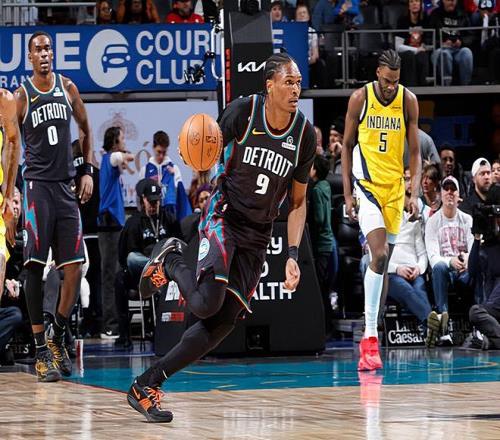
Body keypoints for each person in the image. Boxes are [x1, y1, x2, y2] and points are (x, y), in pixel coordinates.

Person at [127, 53, 316, 422]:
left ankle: (146, 385)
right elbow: (207, 146)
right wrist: (197, 160)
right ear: (270, 85)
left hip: (258, 234)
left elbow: (297, 202)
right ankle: (171, 259)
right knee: (204, 304)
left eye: (298, 83)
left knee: (223, 322)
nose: (296, 89)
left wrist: (292, 254)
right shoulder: (243, 113)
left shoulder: (304, 136)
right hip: (224, 216)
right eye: (289, 82)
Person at [14, 31, 94, 382]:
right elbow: (11, 144)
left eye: (48, 48)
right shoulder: (22, 96)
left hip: (65, 186)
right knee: (34, 266)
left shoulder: (68, 88)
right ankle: (40, 351)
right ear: (29, 57)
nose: (45, 53)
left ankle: (57, 334)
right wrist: (10, 192)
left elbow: (86, 128)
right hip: (37, 187)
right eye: (38, 49)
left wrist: (87, 170)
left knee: (75, 267)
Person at [341, 50, 421, 371]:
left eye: (395, 81)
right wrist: (347, 193)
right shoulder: (360, 99)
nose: (390, 87)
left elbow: (415, 153)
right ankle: (370, 336)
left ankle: (373, 330)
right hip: (367, 186)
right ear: (377, 73)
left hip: (395, 190)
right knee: (379, 254)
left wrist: (414, 191)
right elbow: (347, 147)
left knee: (383, 265)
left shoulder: (408, 101)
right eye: (387, 80)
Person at [387, 167, 437, 347]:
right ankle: (434, 324)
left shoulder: (414, 221)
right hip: (392, 273)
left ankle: (429, 331)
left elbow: (422, 253)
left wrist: (418, 268)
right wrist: (397, 269)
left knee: (420, 288)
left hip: (413, 270)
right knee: (406, 290)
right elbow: (376, 255)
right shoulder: (385, 219)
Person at [425, 175, 474, 343]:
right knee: (438, 267)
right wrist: (451, 262)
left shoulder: (467, 220)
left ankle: (477, 326)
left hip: (464, 270)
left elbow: (473, 248)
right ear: (441, 193)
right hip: (445, 271)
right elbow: (433, 257)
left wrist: (467, 260)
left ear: (459, 195)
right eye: (446, 189)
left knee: (477, 268)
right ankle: (443, 325)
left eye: (453, 189)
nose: (450, 192)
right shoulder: (433, 222)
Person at [98, 126, 134, 339]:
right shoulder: (110, 158)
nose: (124, 141)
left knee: (116, 275)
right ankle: (109, 325)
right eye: (122, 138)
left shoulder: (111, 162)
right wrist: (126, 156)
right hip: (109, 225)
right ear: (114, 142)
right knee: (110, 276)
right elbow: (123, 157)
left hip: (114, 225)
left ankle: (117, 323)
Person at [309, 155, 335, 334]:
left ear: (315, 170)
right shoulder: (327, 186)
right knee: (323, 285)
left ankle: (325, 326)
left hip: (320, 243)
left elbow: (319, 218)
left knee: (319, 287)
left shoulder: (317, 190)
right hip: (329, 241)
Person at [139, 130, 191, 221]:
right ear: (153, 147)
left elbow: (180, 197)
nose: (161, 156)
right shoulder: (145, 170)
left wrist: (173, 178)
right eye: (159, 152)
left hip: (169, 218)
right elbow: (140, 197)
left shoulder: (174, 169)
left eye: (164, 152)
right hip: (150, 217)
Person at [428, 0, 474, 85]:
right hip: (440, 49)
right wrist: (441, 43)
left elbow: (470, 36)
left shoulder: (462, 14)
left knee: (467, 52)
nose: (451, 2)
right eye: (449, 0)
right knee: (445, 54)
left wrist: (461, 42)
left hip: (457, 50)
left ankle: (466, 86)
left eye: (453, 0)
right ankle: (446, 86)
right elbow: (428, 37)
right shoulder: (435, 14)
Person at [396, 0, 430, 86]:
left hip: (422, 51)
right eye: (411, 1)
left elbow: (429, 39)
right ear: (408, 5)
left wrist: (424, 45)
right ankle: (411, 87)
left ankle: (423, 88)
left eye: (417, 1)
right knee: (409, 55)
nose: (414, 3)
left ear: (421, 4)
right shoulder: (402, 20)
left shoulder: (426, 19)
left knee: (422, 55)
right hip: (406, 52)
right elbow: (398, 46)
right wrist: (416, 50)